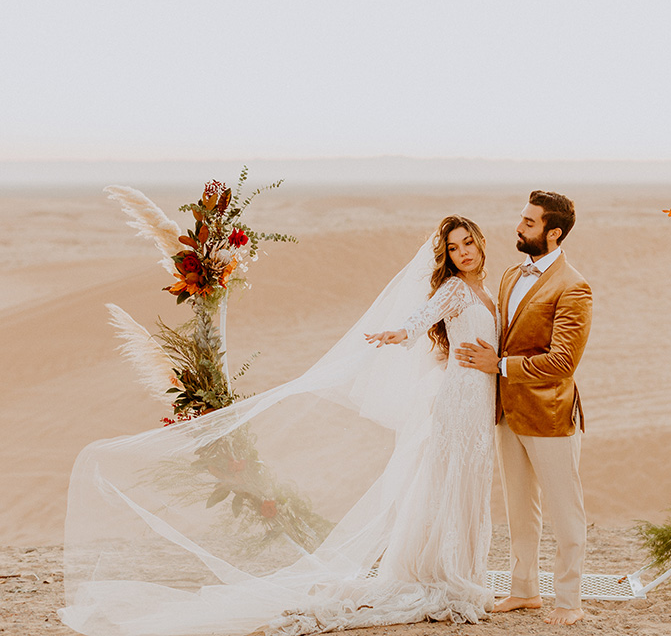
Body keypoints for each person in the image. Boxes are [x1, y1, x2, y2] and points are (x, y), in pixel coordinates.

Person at [59, 216, 500, 636]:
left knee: (470, 480)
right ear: (445, 255)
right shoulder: (455, 290)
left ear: (480, 242)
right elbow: (419, 320)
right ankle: (445, 572)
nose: (462, 252)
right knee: (449, 480)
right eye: (452, 247)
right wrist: (396, 334)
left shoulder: (488, 292)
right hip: (457, 402)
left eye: (467, 243)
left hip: (478, 399)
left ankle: (461, 568)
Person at [456, 190, 592, 626]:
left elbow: (562, 362)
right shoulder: (512, 275)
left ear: (554, 233)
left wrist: (498, 366)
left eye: (529, 223)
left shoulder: (574, 287)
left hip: (549, 416)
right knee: (519, 507)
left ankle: (568, 600)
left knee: (565, 511)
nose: (519, 226)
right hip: (506, 412)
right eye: (522, 218)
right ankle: (525, 591)